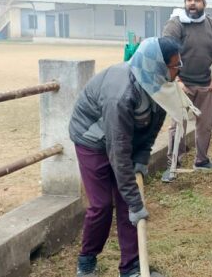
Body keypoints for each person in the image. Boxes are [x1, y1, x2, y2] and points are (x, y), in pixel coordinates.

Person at [69, 37, 182, 277]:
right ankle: (86, 260)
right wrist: (136, 202)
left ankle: (131, 267)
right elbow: (118, 153)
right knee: (101, 205)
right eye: (175, 65)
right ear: (158, 66)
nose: (178, 70)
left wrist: (141, 158)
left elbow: (152, 127)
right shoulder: (121, 93)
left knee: (126, 202)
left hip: (121, 138)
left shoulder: (157, 83)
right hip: (92, 140)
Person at [161, 0, 212, 182]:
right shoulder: (175, 25)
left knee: (205, 125)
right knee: (178, 124)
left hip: (206, 84)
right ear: (185, 3)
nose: (192, 3)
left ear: (204, 4)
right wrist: (177, 81)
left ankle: (202, 160)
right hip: (182, 84)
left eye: (197, 0)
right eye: (189, 0)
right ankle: (173, 163)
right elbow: (165, 53)